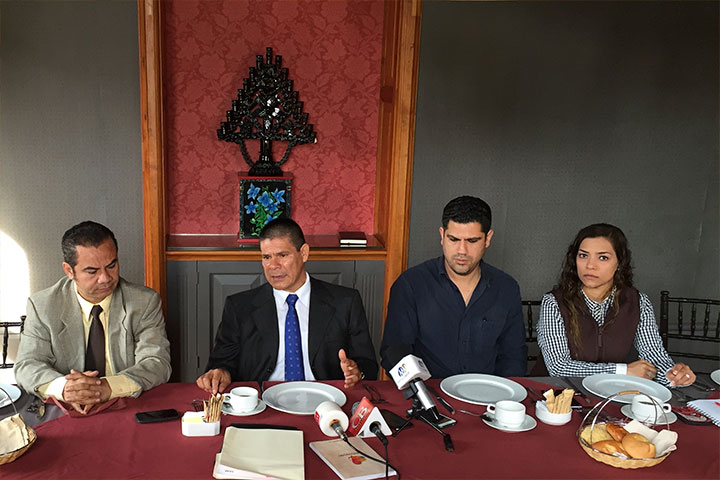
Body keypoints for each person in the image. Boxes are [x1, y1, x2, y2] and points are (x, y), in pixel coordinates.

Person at [196, 218, 378, 394]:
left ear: (304, 253)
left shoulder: (345, 302)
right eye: (266, 257)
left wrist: (357, 372)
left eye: (282, 255)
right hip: (262, 402)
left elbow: (368, 366)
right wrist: (221, 373)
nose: (273, 266)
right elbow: (221, 364)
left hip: (326, 401)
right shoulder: (239, 307)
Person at [14, 221, 171, 414]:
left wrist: (107, 387)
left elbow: (157, 363)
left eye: (111, 266)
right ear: (69, 271)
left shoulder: (144, 302)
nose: (105, 278)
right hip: (67, 409)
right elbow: (27, 365)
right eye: (92, 271)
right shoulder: (43, 305)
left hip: (126, 405)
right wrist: (66, 388)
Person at [380, 196, 527, 378]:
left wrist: (502, 393)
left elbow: (513, 356)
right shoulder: (411, 284)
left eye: (472, 241)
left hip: (487, 391)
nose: (461, 251)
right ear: (442, 235)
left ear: (487, 239)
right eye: (454, 239)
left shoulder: (506, 288)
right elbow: (394, 353)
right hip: (427, 390)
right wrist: (419, 389)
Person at [535, 223, 696, 386]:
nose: (590, 265)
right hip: (554, 393)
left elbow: (653, 355)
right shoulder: (554, 302)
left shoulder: (638, 302)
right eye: (583, 255)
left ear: (619, 263)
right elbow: (558, 367)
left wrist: (673, 375)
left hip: (610, 392)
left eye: (603, 257)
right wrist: (622, 371)